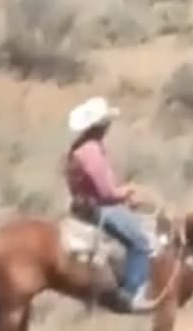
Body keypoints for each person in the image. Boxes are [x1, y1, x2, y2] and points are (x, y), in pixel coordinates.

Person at [63, 96, 158, 312]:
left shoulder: (78, 148)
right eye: (107, 123)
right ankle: (130, 294)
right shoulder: (92, 152)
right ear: (101, 125)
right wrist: (129, 192)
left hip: (83, 206)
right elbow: (107, 193)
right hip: (99, 209)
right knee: (141, 242)